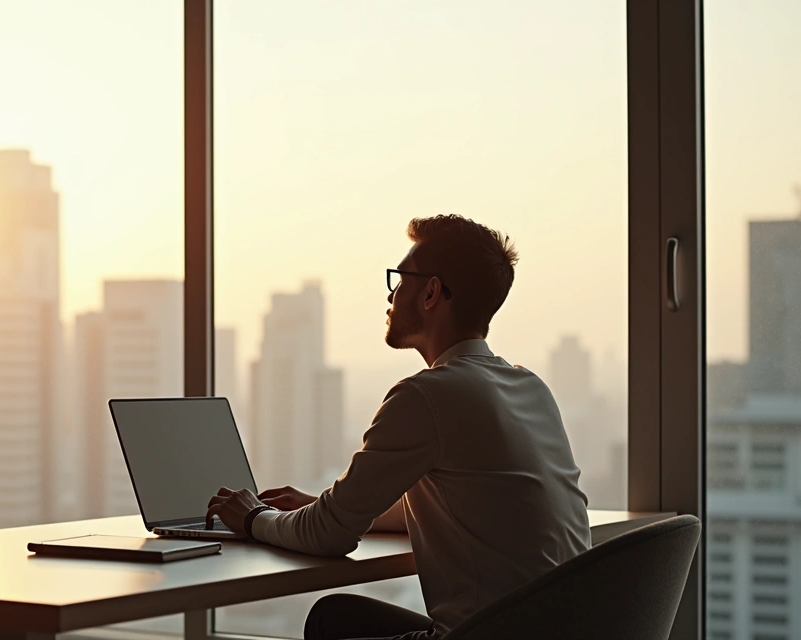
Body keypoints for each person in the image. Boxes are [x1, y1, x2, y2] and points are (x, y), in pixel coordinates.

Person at [205, 215, 591, 639]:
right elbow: (471, 507)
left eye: (399, 278)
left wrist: (254, 517)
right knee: (338, 617)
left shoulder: (428, 395)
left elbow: (329, 536)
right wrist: (331, 505)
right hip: (561, 627)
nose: (391, 294)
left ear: (430, 292)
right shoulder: (530, 387)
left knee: (331, 620)